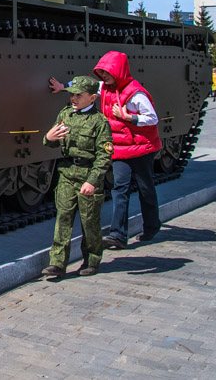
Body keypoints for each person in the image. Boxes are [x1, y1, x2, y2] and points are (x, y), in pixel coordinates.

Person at [49, 50, 163, 249]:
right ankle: (118, 235)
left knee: (146, 189)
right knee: (120, 189)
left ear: (118, 71)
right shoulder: (105, 87)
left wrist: (129, 118)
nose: (104, 76)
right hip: (121, 148)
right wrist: (63, 87)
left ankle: (152, 226)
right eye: (101, 72)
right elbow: (88, 87)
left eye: (107, 72)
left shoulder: (135, 93)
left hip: (142, 147)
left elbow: (152, 117)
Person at [41, 75, 113, 279]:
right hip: (67, 174)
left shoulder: (100, 122)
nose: (73, 99)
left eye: (78, 95)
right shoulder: (66, 115)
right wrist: (48, 138)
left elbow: (105, 154)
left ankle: (91, 260)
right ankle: (57, 263)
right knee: (63, 219)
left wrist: (93, 181)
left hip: (88, 175)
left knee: (89, 222)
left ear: (92, 98)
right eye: (72, 94)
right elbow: (52, 142)